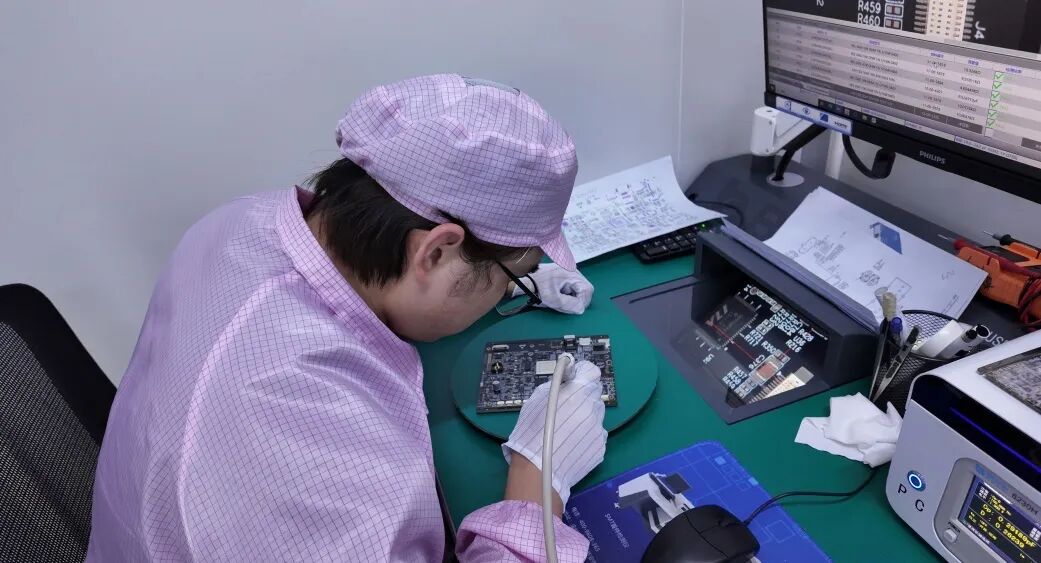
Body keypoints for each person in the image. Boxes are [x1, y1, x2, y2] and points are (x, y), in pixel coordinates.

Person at [87, 74, 608, 562]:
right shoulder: (329, 456)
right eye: (512, 275)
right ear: (434, 253)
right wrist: (538, 479)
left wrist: (497, 278)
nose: (505, 294)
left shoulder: (239, 221)